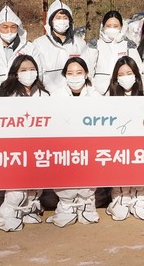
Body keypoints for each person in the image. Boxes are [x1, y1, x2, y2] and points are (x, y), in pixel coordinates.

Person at [0, 55, 49, 231]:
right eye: (23, 70)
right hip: (16, 146)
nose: (28, 73)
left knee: (36, 183)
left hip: (39, 145)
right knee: (17, 185)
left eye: (32, 69)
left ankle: (29, 209)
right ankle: (8, 214)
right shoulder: (8, 94)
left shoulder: (44, 94)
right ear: (15, 73)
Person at [104, 56, 144, 221]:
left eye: (129, 73)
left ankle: (139, 200)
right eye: (121, 74)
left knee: (141, 169)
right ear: (116, 77)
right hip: (118, 142)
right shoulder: (110, 95)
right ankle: (119, 200)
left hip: (142, 141)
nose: (125, 77)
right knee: (120, 169)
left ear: (136, 74)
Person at [47, 57, 101, 227]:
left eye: (79, 72)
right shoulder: (56, 96)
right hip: (64, 144)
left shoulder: (96, 96)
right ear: (64, 75)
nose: (75, 77)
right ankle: (66, 205)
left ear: (86, 74)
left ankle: (87, 204)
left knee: (88, 172)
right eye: (70, 73)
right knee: (64, 173)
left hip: (88, 144)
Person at [32, 0, 92, 93]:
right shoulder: (39, 44)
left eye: (65, 18)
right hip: (49, 95)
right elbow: (38, 74)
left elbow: (88, 70)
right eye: (58, 17)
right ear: (51, 21)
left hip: (75, 94)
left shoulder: (80, 43)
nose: (62, 21)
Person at [0, 5, 34, 89]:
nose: (9, 31)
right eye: (5, 27)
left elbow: (39, 72)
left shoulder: (29, 48)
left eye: (13, 27)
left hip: (21, 94)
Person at [89, 11, 137, 95]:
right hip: (99, 91)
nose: (112, 28)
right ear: (103, 26)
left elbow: (137, 69)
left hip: (122, 90)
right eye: (108, 26)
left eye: (115, 26)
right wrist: (93, 90)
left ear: (121, 27)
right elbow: (89, 70)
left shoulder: (129, 45)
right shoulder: (95, 45)